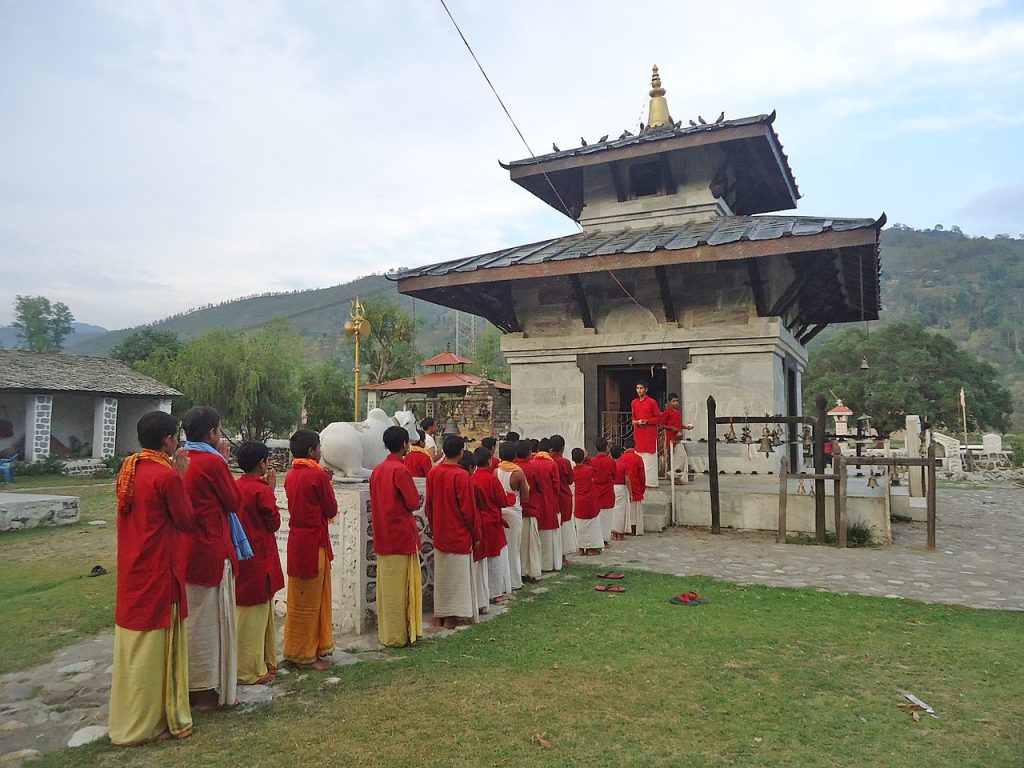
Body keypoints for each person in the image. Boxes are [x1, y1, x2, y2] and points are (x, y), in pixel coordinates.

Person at [109, 411, 194, 745]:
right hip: (159, 568)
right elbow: (185, 520)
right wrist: (183, 475)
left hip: (134, 566)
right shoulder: (166, 475)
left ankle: (130, 716)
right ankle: (147, 722)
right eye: (176, 437)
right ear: (168, 441)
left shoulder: (129, 469)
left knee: (134, 645)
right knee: (154, 645)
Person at [182, 405, 243, 710]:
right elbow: (233, 501)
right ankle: (204, 689)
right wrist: (226, 462)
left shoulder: (180, 459)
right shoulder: (210, 462)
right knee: (209, 621)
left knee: (192, 618)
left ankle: (189, 683)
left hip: (187, 548)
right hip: (210, 546)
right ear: (212, 433)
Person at [283, 429, 338, 670]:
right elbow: (331, 508)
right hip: (314, 542)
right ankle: (306, 654)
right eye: (318, 448)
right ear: (311, 451)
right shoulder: (317, 477)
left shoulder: (291, 475)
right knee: (313, 599)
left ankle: (296, 647)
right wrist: (327, 483)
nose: (320, 452)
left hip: (297, 540)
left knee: (298, 597)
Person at [234, 441, 285, 686]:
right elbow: (273, 522)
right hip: (260, 555)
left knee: (249, 611)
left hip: (242, 554)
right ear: (262, 463)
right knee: (254, 614)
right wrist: (271, 491)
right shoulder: (261, 490)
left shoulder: (236, 486)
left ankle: (263, 660)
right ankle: (248, 669)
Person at [369, 425, 424, 647]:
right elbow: (412, 502)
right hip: (401, 535)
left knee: (388, 589)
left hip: (383, 534)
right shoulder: (400, 470)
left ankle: (388, 633)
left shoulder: (378, 470)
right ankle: (400, 635)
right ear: (404, 444)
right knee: (403, 588)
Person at [425, 435, 481, 629]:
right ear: (461, 452)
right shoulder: (461, 475)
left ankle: (440, 614)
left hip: (440, 531)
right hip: (459, 532)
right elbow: (468, 510)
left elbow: (429, 505)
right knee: (458, 577)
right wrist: (476, 534)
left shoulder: (433, 473)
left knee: (443, 576)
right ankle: (454, 616)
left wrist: (434, 526)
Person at [471, 447, 514, 604]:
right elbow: (502, 501)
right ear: (489, 461)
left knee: (483, 560)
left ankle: (484, 593)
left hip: (479, 523)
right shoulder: (490, 479)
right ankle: (495, 593)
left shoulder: (473, 478)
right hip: (492, 522)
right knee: (495, 559)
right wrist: (511, 496)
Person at [496, 440, 529, 590]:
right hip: (514, 510)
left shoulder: (496, 471)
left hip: (501, 511)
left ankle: (503, 581)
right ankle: (514, 581)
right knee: (514, 547)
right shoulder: (518, 472)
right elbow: (526, 495)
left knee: (503, 547)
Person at [513, 440, 542, 582]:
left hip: (518, 510)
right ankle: (533, 571)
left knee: (519, 544)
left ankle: (521, 571)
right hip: (531, 507)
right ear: (530, 453)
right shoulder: (533, 468)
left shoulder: (513, 468)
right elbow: (539, 487)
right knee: (532, 543)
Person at [532, 438, 562, 572]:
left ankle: (538, 564)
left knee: (538, 532)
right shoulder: (552, 464)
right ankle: (550, 564)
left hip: (537, 501)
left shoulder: (532, 463)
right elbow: (556, 486)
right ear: (550, 450)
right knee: (550, 534)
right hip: (549, 500)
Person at [549, 435, 577, 561]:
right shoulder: (564, 462)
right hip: (564, 495)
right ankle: (563, 555)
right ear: (563, 448)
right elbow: (571, 480)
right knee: (565, 525)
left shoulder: (549, 461)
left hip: (553, 496)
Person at [571, 448, 603, 555]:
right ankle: (591, 548)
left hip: (579, 500)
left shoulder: (573, 471)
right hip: (589, 500)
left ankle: (581, 547)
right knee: (591, 524)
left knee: (580, 525)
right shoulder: (589, 470)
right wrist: (587, 459)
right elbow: (596, 470)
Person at [630, 381, 662, 488]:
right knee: (639, 459)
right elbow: (633, 418)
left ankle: (650, 483)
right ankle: (639, 482)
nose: (639, 390)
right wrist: (636, 422)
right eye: (637, 388)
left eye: (641, 388)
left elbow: (658, 417)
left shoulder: (652, 402)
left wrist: (647, 421)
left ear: (646, 389)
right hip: (639, 434)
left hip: (649, 434)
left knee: (649, 460)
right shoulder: (634, 402)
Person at [662, 393, 694, 483]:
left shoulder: (678, 412)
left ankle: (677, 476)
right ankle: (672, 473)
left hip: (678, 437)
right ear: (669, 402)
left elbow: (679, 424)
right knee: (681, 455)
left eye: (677, 401)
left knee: (683, 456)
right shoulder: (667, 412)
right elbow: (662, 425)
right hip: (672, 438)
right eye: (674, 401)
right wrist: (671, 428)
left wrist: (686, 427)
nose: (676, 403)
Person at [589, 438, 617, 545]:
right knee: (607, 518)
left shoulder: (592, 461)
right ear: (607, 448)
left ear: (595, 448)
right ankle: (605, 540)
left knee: (597, 517)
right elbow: (614, 475)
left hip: (596, 492)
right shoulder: (611, 462)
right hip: (608, 492)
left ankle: (597, 538)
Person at [620, 446, 647, 535]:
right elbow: (642, 475)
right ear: (635, 447)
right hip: (635, 485)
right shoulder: (638, 458)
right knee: (635, 510)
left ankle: (624, 528)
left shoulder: (622, 458)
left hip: (623, 486)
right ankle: (634, 529)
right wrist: (642, 487)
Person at [609, 445, 629, 541]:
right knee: (620, 511)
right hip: (621, 487)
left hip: (611, 487)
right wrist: (631, 492)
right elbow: (627, 480)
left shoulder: (610, 464)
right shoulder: (624, 464)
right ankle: (620, 533)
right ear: (621, 454)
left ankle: (613, 532)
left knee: (612, 510)